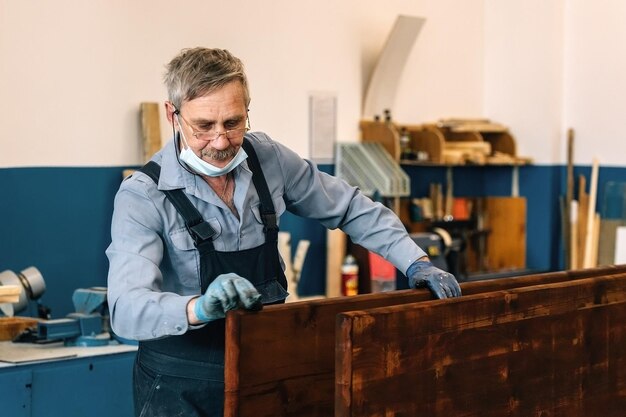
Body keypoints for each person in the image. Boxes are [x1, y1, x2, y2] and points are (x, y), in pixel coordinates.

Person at [106, 47, 461, 417]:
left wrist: (416, 262)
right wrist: (198, 308)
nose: (222, 141)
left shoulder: (268, 160)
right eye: (204, 127)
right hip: (182, 388)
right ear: (172, 114)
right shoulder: (144, 195)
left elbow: (350, 207)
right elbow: (126, 308)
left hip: (267, 372)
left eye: (233, 122)